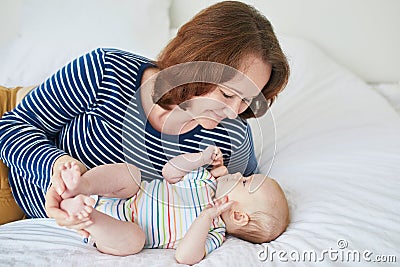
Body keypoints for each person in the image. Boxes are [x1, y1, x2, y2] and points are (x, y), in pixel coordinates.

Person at [0, 0, 289, 233]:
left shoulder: (233, 137)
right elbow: (12, 126)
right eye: (227, 94)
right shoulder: (106, 71)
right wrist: (57, 166)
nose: (234, 112)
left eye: (247, 99)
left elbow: (252, 202)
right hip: (12, 161)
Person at [59, 145, 289, 264]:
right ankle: (82, 186)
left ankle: (86, 217)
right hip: (121, 195)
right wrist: (201, 158)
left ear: (238, 216)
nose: (239, 174)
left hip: (116, 228)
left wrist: (204, 218)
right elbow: (169, 172)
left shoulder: (214, 232)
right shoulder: (205, 181)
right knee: (131, 174)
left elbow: (185, 257)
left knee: (134, 240)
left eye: (245, 181)